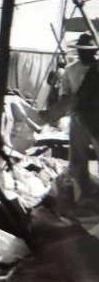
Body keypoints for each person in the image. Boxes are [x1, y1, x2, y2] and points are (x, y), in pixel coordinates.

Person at [57, 32, 99, 201]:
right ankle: (80, 191)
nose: (84, 53)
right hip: (78, 117)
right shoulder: (70, 70)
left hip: (97, 117)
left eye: (88, 50)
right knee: (77, 157)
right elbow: (64, 94)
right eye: (81, 49)